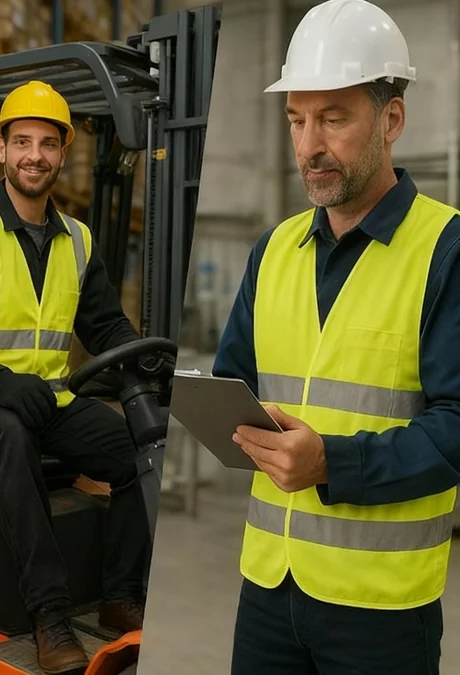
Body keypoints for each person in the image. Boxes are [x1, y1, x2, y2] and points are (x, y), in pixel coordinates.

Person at [216, 1, 460, 673]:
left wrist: (332, 463)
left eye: (333, 118)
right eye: (296, 120)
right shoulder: (273, 250)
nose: (307, 147)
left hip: (381, 607)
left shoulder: (446, 250)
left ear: (391, 120)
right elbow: (232, 383)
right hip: (269, 587)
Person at [0, 80, 158, 675]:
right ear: (1, 148)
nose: (34, 155)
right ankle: (48, 615)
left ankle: (120, 595)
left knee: (143, 446)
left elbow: (105, 325)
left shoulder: (78, 240)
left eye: (48, 144)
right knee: (10, 433)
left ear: (63, 153)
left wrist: (145, 361)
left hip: (46, 402)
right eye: (22, 141)